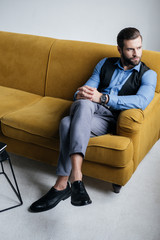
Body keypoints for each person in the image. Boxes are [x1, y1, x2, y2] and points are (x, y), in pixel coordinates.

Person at [30, 27, 157, 212]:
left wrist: (104, 98)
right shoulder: (104, 63)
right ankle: (77, 180)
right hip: (88, 109)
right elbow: (82, 91)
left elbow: (142, 101)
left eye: (139, 47)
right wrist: (84, 95)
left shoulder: (148, 74)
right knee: (83, 104)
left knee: (67, 123)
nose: (136, 53)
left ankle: (62, 185)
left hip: (109, 118)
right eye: (130, 49)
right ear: (120, 50)